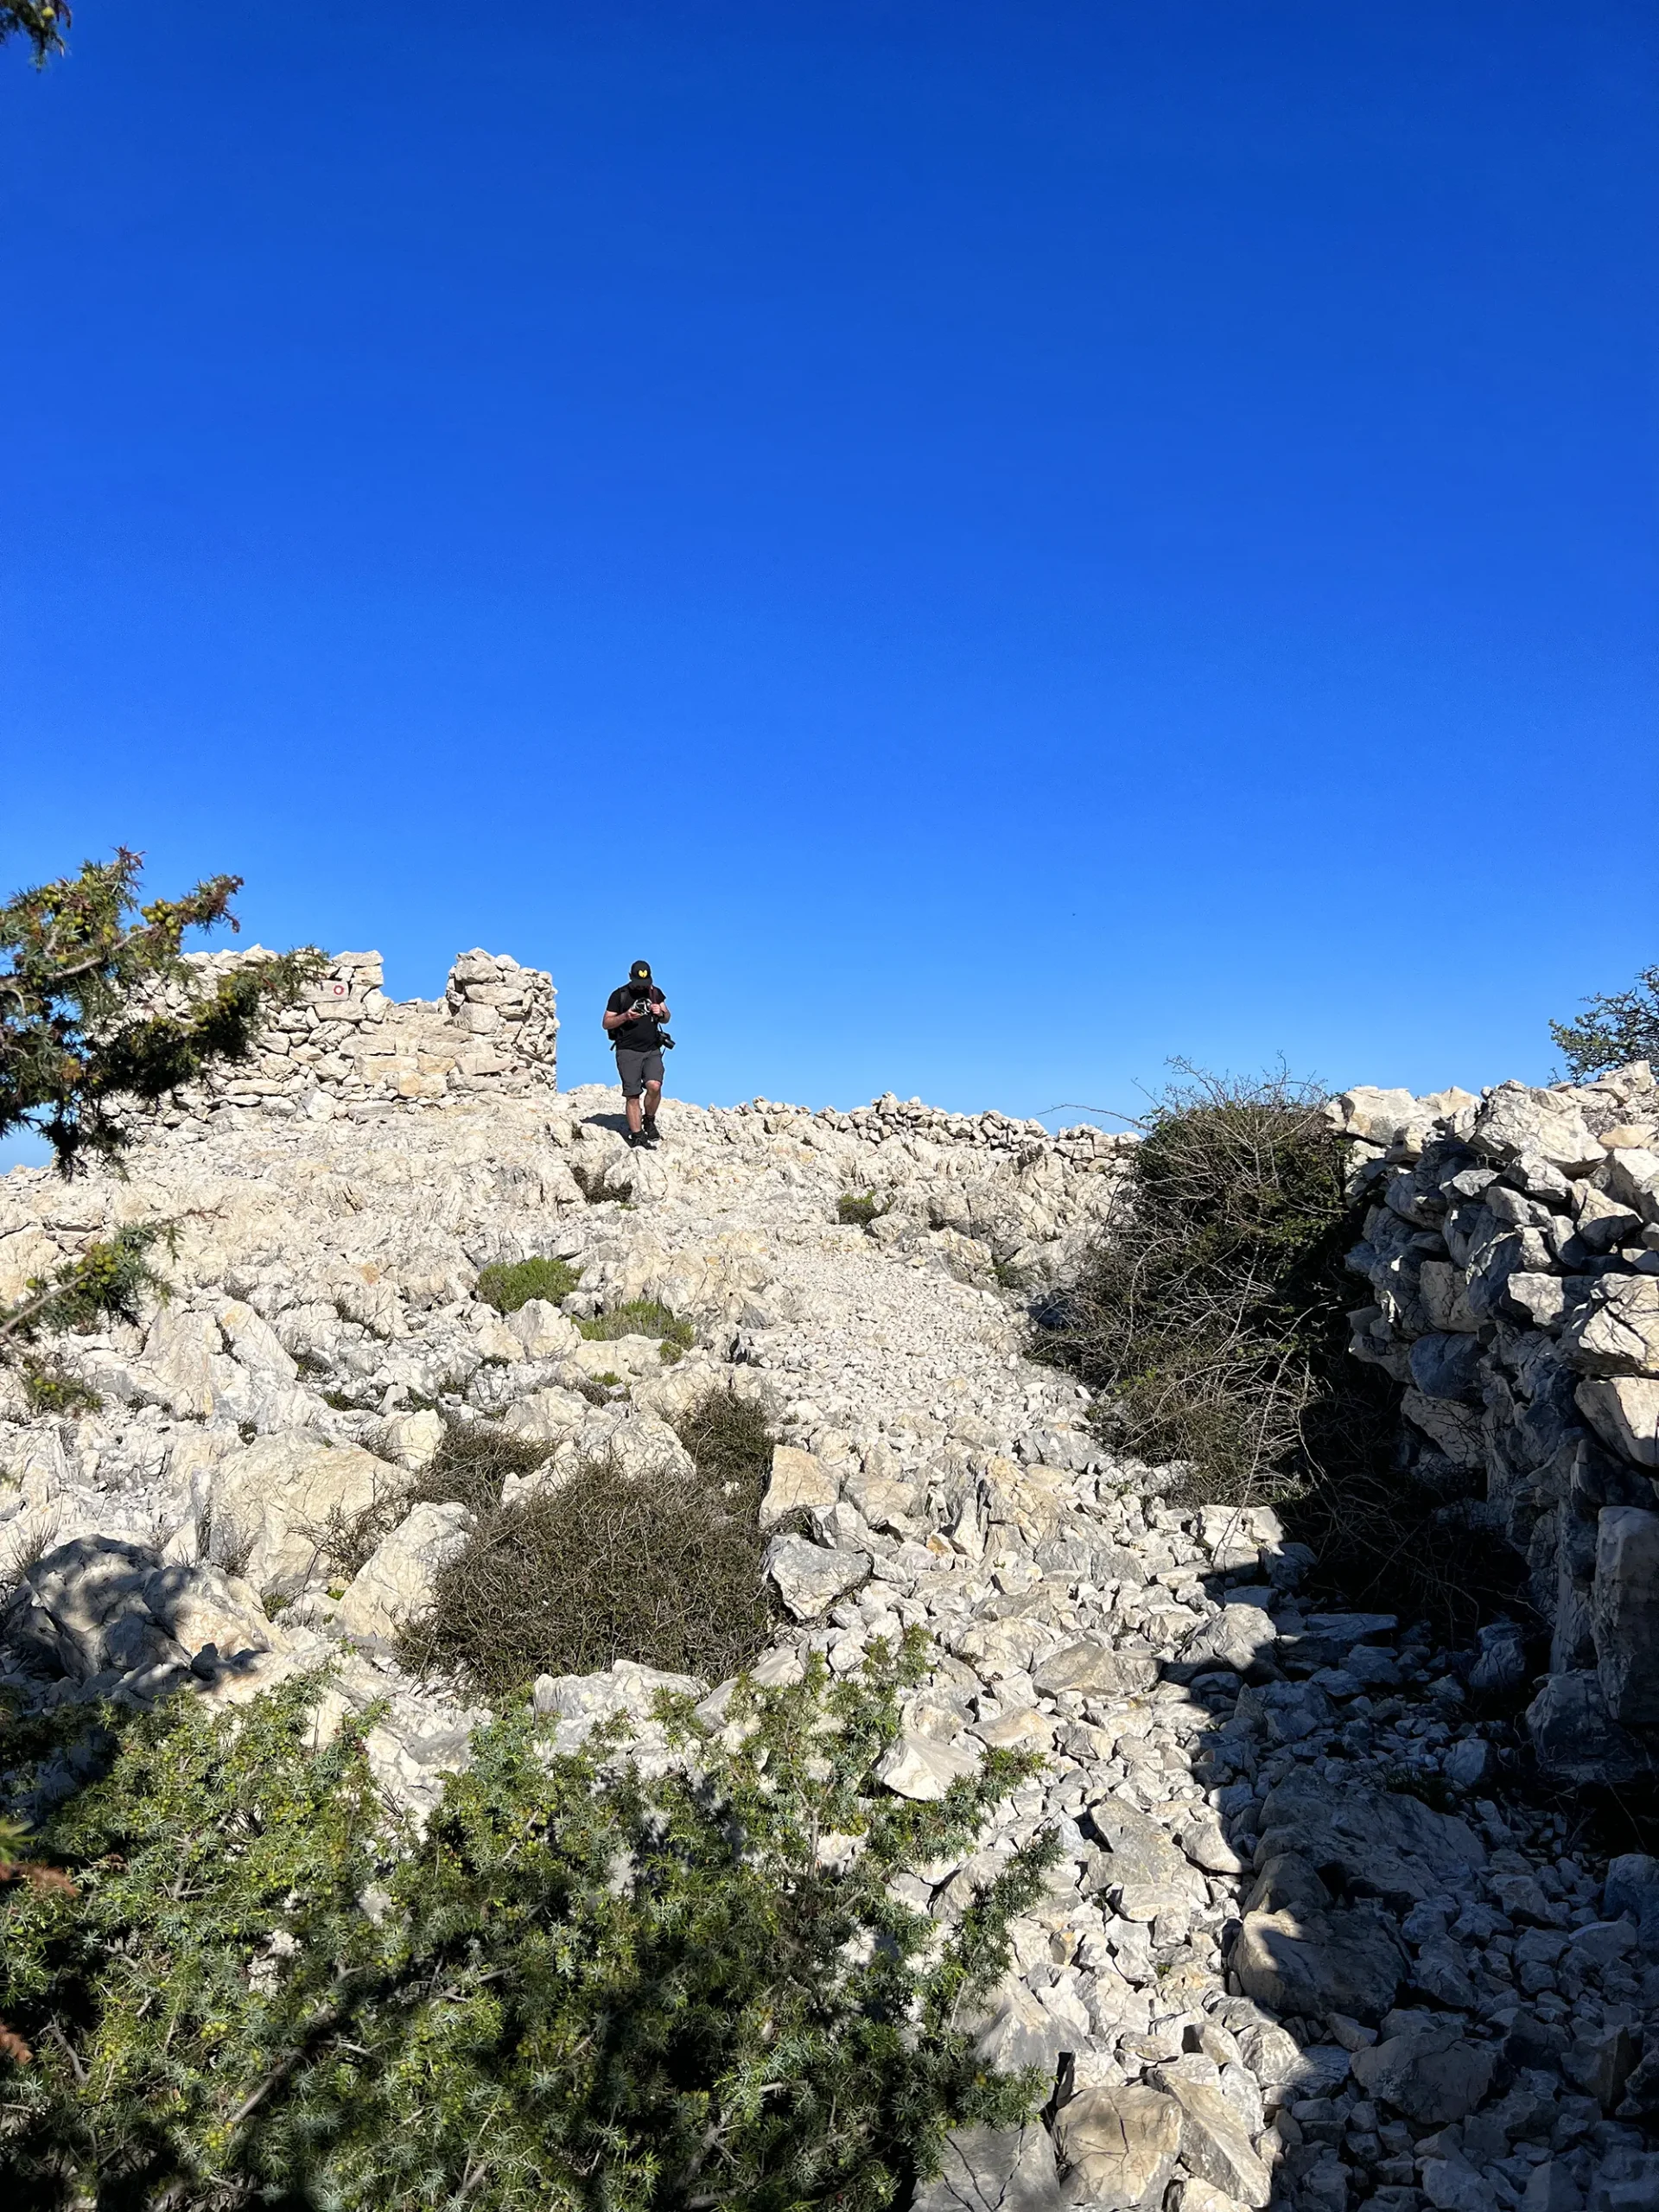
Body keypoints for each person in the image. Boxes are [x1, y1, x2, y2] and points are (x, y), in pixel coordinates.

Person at [604, 959, 671, 1147]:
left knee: (655, 1085)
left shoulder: (655, 993)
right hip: (627, 1051)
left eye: (645, 983)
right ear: (630, 978)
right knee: (633, 1094)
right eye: (639, 983)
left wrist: (661, 1013)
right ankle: (638, 1135)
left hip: (652, 1049)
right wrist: (626, 1016)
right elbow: (606, 1023)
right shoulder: (619, 995)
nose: (642, 987)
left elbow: (667, 1017)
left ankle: (649, 1119)